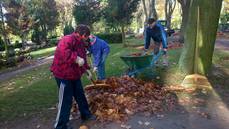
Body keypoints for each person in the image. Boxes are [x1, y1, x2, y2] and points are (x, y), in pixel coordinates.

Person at [50, 24, 96, 129]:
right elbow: (63, 52)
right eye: (87, 36)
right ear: (83, 34)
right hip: (63, 75)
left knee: (80, 95)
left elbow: (82, 59)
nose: (87, 39)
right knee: (66, 100)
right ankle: (61, 126)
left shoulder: (80, 43)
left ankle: (86, 114)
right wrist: (76, 58)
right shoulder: (67, 39)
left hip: (74, 75)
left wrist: (86, 69)